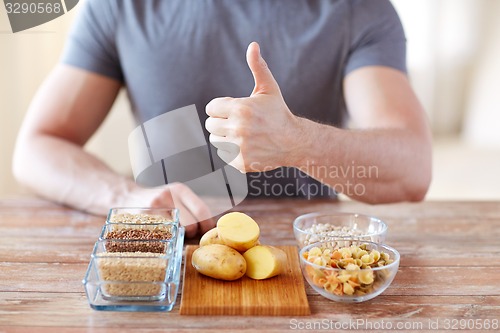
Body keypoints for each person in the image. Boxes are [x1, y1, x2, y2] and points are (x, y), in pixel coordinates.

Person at [13, 0, 432, 238]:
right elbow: (37, 147)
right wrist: (125, 198)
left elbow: (413, 168)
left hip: (307, 261)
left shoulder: (359, 10)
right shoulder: (117, 6)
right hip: (166, 249)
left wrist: (297, 141)